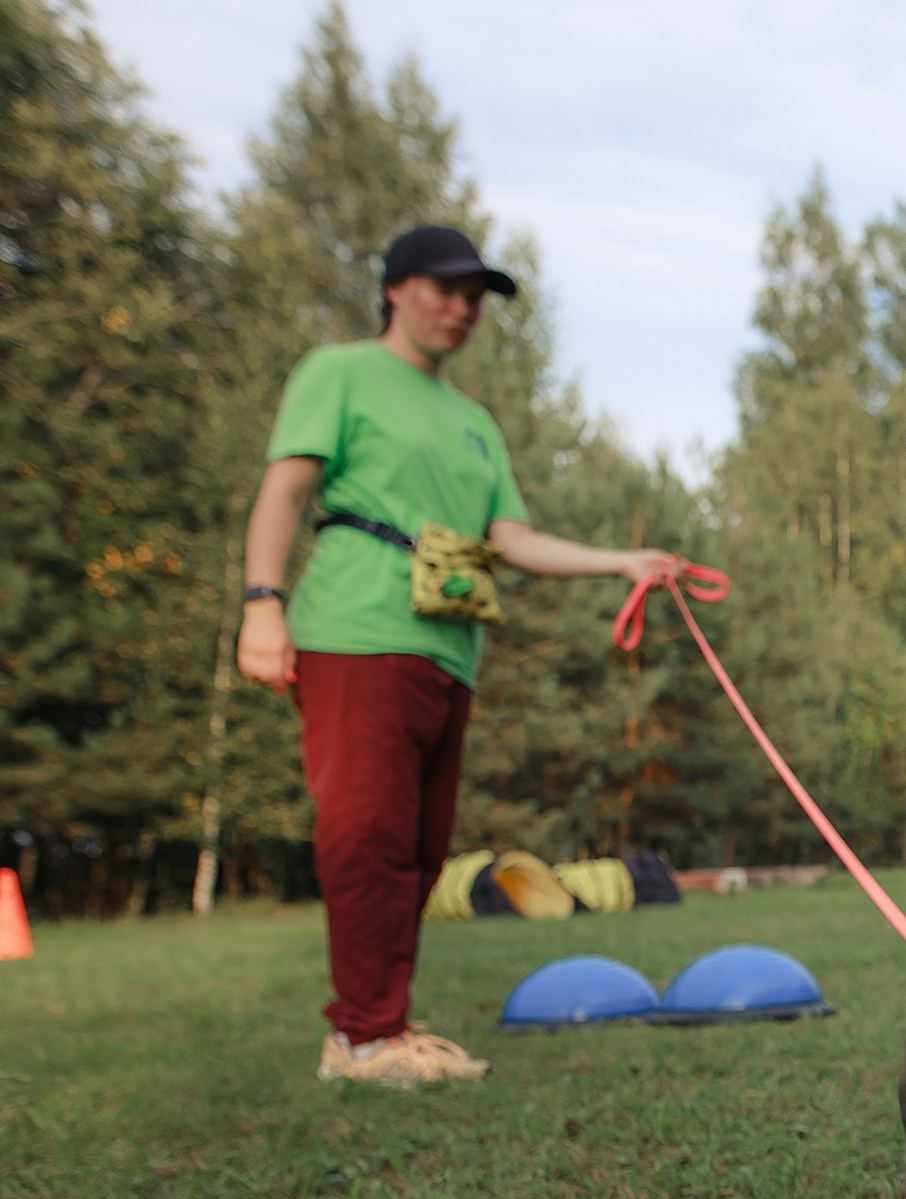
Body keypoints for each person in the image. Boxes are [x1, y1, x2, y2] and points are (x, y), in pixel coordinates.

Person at [234, 225, 682, 1088]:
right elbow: (284, 491)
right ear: (396, 287)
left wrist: (623, 561)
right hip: (354, 631)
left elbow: (508, 537)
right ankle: (364, 1038)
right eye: (445, 288)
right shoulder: (339, 371)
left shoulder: (473, 422)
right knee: (366, 836)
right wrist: (263, 604)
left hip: (449, 649)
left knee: (422, 847)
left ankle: (382, 1024)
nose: (462, 308)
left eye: (475, 296)